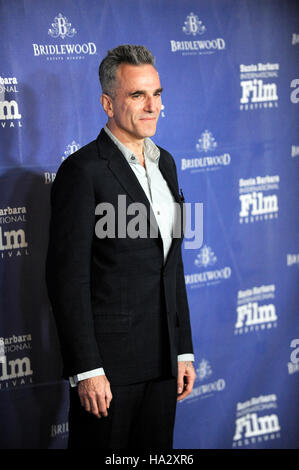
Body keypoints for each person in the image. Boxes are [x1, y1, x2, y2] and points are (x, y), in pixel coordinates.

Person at [46, 44, 196, 449]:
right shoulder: (82, 171)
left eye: (157, 93)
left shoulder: (165, 161)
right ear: (107, 103)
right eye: (138, 95)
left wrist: (183, 351)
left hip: (163, 364)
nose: (152, 106)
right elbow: (67, 279)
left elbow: (172, 264)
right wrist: (87, 369)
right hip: (108, 372)